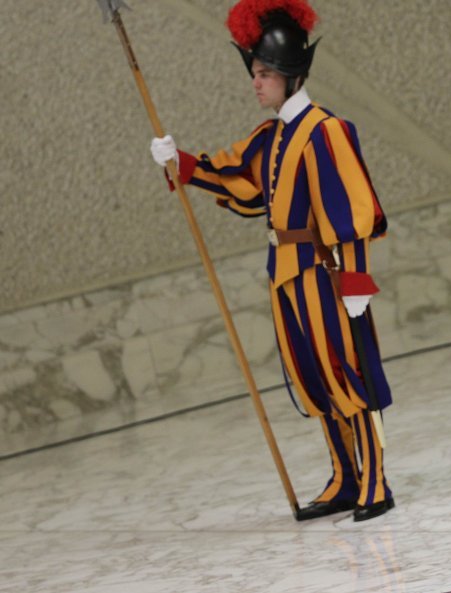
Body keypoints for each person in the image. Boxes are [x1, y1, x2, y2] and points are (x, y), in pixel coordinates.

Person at [148, 0, 393, 522]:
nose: (256, 83)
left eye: (263, 73)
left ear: (289, 74)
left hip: (325, 274)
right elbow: (238, 179)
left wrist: (354, 280)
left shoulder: (325, 130)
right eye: (255, 73)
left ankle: (374, 479)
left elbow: (351, 210)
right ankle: (345, 477)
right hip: (284, 271)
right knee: (312, 375)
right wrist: (181, 163)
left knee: (345, 372)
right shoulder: (272, 135)